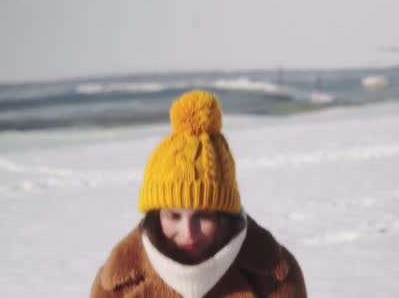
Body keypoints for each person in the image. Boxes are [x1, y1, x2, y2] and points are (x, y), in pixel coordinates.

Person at [91, 90, 307, 298]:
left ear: (224, 214)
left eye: (203, 216)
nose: (188, 233)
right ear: (156, 215)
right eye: (174, 216)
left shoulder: (276, 277)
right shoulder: (115, 284)